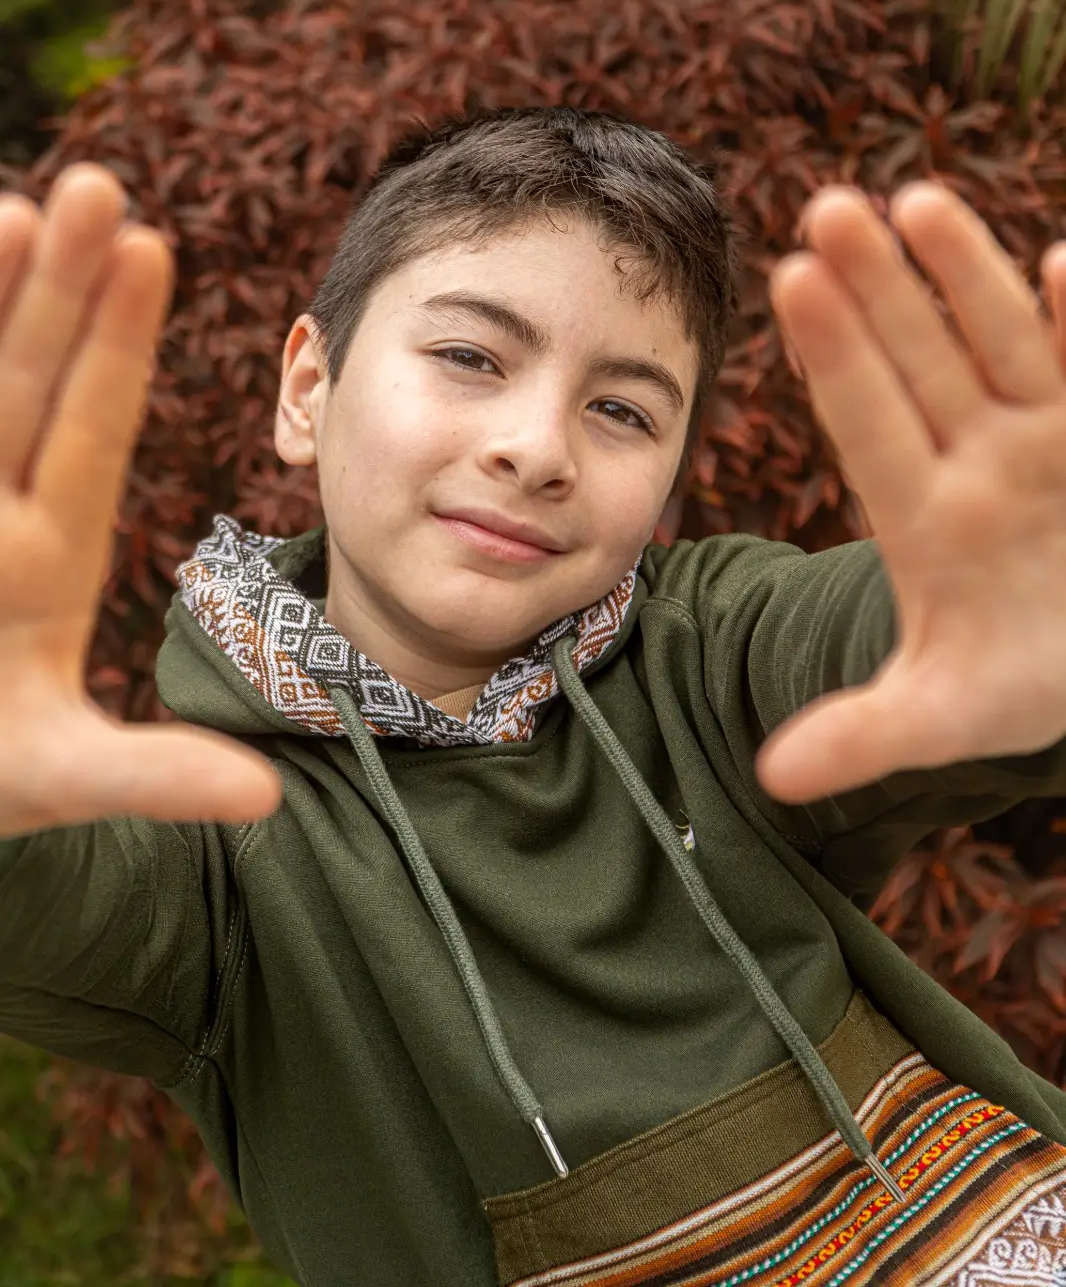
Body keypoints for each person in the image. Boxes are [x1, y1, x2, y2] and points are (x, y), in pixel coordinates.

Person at [3, 107, 1066, 1287]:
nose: (536, 445)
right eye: (470, 356)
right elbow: (45, 898)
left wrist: (1026, 611)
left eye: (621, 409)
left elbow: (899, 632)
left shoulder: (704, 648)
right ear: (309, 386)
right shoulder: (214, 852)